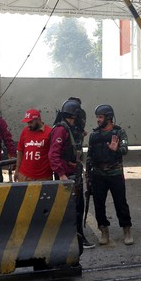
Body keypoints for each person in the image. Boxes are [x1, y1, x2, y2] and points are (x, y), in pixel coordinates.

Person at [50, 98, 94, 249]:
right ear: (73, 115)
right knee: (72, 209)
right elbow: (53, 155)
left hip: (74, 172)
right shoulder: (61, 130)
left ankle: (78, 237)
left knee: (78, 207)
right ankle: (75, 239)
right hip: (67, 175)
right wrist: (61, 175)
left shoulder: (72, 128)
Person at [87, 104, 133, 245]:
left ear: (108, 118)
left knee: (121, 203)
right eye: (97, 117)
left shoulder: (119, 133)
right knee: (99, 204)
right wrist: (88, 176)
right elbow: (89, 156)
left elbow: (125, 149)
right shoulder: (94, 135)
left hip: (115, 174)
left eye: (100, 117)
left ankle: (126, 230)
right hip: (98, 175)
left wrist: (116, 149)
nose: (98, 120)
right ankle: (104, 231)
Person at [15, 108, 54, 182]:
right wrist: (17, 170)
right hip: (24, 175)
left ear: (38, 120)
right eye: (27, 122)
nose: (28, 125)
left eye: (31, 122)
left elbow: (54, 154)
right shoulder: (25, 131)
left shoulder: (49, 132)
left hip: (43, 177)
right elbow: (20, 151)